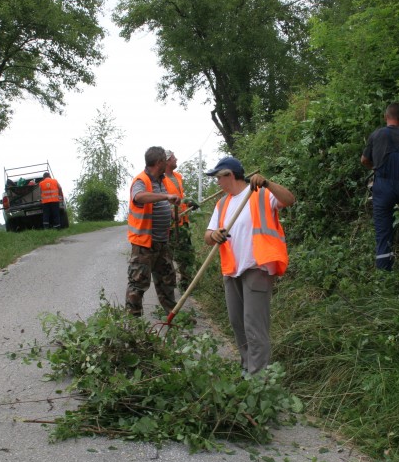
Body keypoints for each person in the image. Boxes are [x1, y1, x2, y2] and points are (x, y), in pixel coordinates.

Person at [204, 157, 295, 375]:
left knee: (254, 325)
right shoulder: (223, 203)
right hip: (232, 269)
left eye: (219, 177)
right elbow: (208, 235)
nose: (217, 182)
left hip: (257, 267)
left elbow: (289, 199)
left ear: (229, 175)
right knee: (237, 323)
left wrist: (268, 183)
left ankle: (258, 376)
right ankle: (246, 367)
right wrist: (214, 235)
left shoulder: (261, 194)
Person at [361, 102, 399, 271]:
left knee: (382, 231)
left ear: (386, 117)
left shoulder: (376, 135)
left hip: (383, 188)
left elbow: (364, 160)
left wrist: (376, 168)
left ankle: (384, 271)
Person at [126, 146, 181, 317]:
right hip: (144, 244)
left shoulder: (160, 180)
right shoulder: (141, 180)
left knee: (167, 279)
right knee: (138, 284)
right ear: (159, 163)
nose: (167, 163)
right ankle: (132, 324)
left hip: (161, 242)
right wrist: (166, 197)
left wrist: (170, 213)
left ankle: (173, 315)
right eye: (165, 160)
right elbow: (139, 197)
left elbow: (159, 205)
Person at [163, 150, 199, 291]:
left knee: (187, 255)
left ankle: (187, 285)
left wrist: (189, 204)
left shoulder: (178, 176)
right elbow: (161, 199)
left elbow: (180, 197)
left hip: (183, 222)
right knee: (169, 258)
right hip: (170, 226)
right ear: (166, 161)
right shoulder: (160, 179)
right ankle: (168, 287)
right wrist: (170, 213)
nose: (176, 159)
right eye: (173, 158)